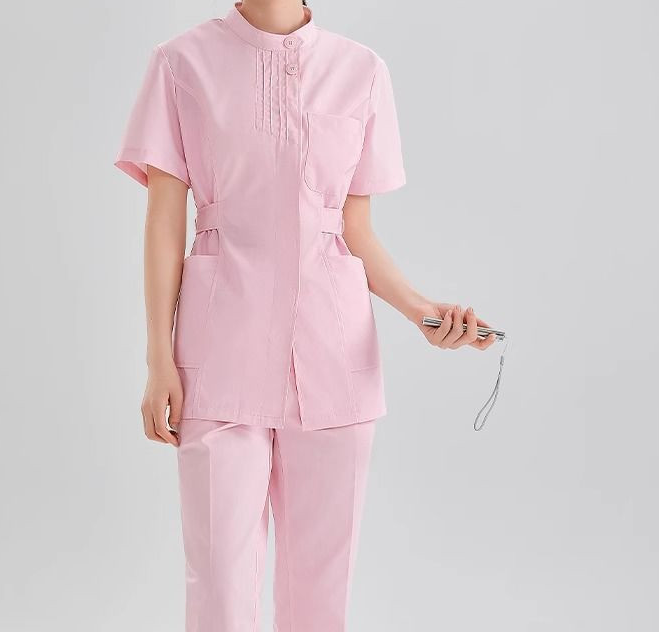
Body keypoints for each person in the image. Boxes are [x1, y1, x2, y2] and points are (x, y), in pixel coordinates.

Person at [114, 1, 497, 629]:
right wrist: (159, 358)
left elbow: (352, 229)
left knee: (321, 597)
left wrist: (422, 311)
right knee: (219, 592)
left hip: (334, 357)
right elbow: (164, 221)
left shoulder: (362, 71)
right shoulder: (180, 64)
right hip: (218, 354)